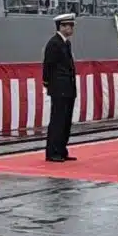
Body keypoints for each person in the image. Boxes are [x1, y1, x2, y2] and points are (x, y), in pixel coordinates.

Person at [42, 12, 78, 161]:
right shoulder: (54, 43)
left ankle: (62, 149)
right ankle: (53, 152)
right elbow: (48, 65)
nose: (71, 28)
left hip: (68, 88)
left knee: (66, 121)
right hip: (59, 88)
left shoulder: (66, 43)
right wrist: (48, 83)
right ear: (61, 27)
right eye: (69, 26)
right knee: (58, 120)